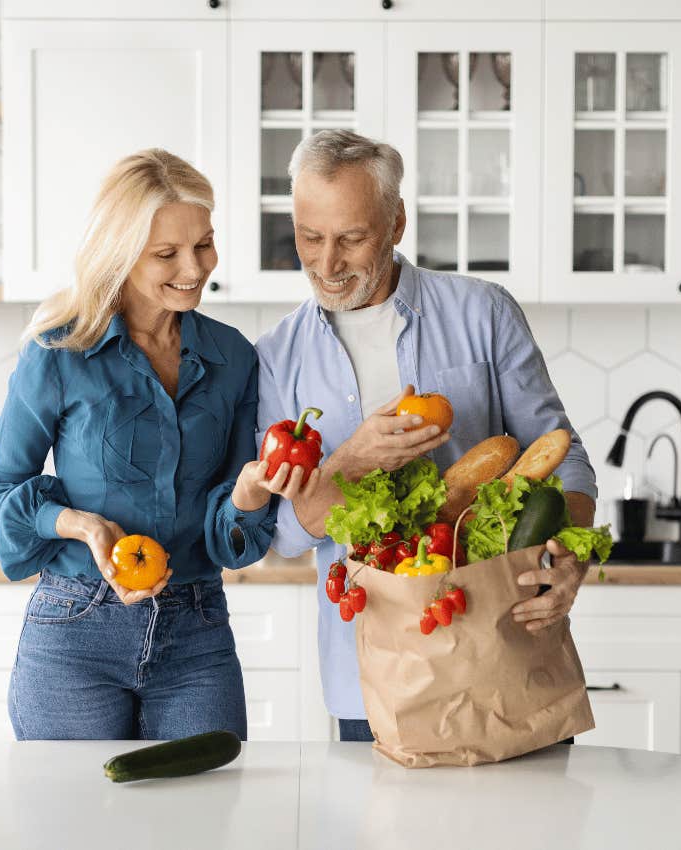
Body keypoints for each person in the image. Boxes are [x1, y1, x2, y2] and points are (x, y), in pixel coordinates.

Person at [255, 130, 598, 743]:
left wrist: (570, 559)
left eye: (351, 238)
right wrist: (351, 460)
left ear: (396, 223)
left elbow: (563, 457)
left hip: (504, 649)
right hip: (377, 674)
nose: (327, 264)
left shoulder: (483, 313)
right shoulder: (278, 357)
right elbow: (280, 533)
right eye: (310, 237)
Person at [0, 149, 316, 742]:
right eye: (167, 253)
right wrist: (81, 524)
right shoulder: (59, 352)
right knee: (73, 825)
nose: (195, 266)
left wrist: (247, 493)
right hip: (76, 627)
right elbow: (0, 490)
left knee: (202, 822)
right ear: (122, 253)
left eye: (204, 244)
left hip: (197, 629)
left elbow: (231, 536)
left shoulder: (233, 357)